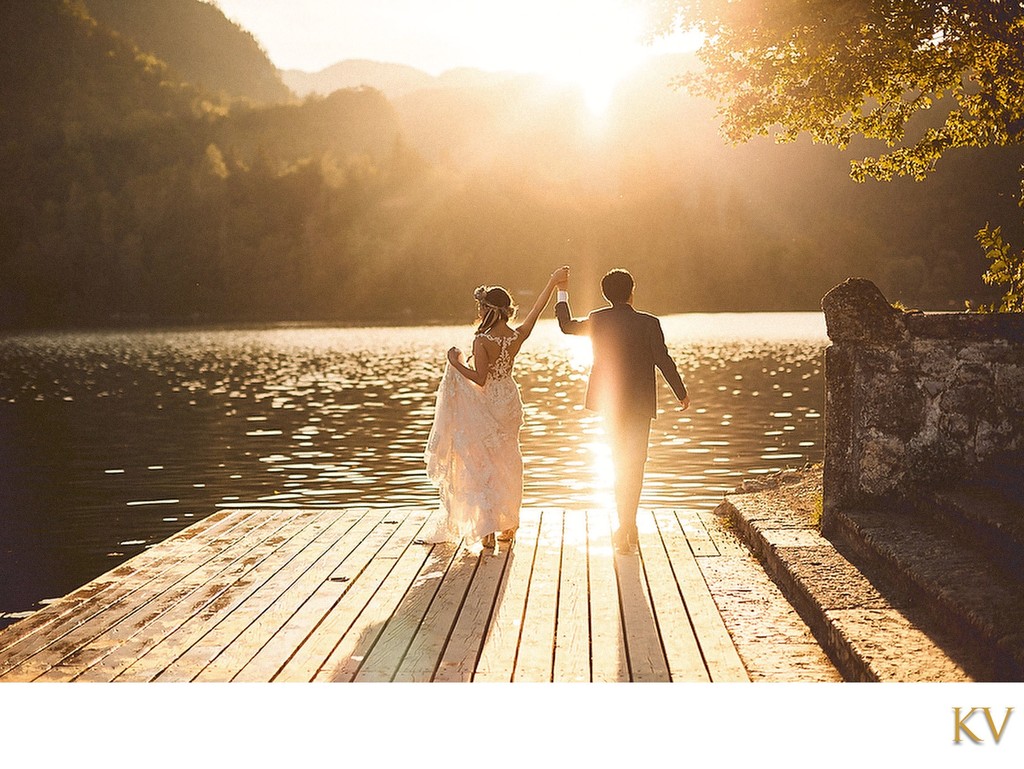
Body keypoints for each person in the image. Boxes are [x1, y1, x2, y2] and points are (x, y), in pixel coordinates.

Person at [425, 267, 569, 550]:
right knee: (508, 460)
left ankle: (488, 530)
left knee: (484, 462)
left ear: (488, 310)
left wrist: (456, 364)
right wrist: (552, 283)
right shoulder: (516, 336)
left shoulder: (482, 340)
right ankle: (509, 525)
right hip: (510, 398)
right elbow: (537, 311)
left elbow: (480, 378)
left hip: (490, 399)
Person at [555, 268, 690, 554]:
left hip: (611, 403)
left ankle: (625, 525)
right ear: (632, 291)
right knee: (636, 464)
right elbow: (663, 360)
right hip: (640, 404)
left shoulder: (598, 319)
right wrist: (681, 392)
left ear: (606, 294)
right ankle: (628, 525)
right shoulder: (649, 323)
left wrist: (562, 290)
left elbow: (566, 326)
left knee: (619, 463)